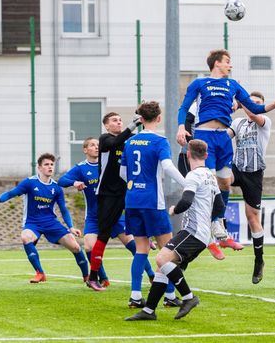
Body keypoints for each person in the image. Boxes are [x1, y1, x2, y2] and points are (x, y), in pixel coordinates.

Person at [176, 49, 275, 259]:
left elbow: (254, 107)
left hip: (223, 139)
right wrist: (181, 127)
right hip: (205, 136)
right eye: (227, 61)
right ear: (217, 63)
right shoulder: (200, 83)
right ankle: (210, 230)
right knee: (209, 183)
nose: (230, 65)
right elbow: (183, 108)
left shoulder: (233, 85)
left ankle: (217, 222)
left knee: (225, 183)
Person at [125, 139, 226, 321]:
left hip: (193, 232)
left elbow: (186, 200)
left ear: (188, 154)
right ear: (206, 155)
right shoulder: (210, 176)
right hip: (200, 233)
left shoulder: (193, 176)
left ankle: (188, 297)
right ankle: (149, 311)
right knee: (162, 268)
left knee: (161, 258)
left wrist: (174, 210)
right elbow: (219, 206)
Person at [58, 137, 155, 288]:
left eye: (98, 145)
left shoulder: (109, 165)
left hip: (115, 213)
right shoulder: (81, 168)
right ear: (85, 150)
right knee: (89, 247)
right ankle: (102, 278)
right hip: (94, 216)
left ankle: (152, 275)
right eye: (92, 145)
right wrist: (74, 182)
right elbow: (61, 180)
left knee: (134, 245)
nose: (96, 147)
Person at [121, 101, 187, 308]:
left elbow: (123, 173)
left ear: (140, 119)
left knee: (141, 249)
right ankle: (169, 295)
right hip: (152, 201)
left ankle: (135, 296)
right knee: (167, 249)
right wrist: (187, 184)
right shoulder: (160, 141)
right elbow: (167, 166)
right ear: (159, 118)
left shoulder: (129, 142)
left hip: (132, 200)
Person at [0, 153, 88, 283]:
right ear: (39, 167)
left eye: (52, 164)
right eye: (46, 164)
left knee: (75, 247)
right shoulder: (30, 183)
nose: (50, 167)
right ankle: (40, 273)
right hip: (33, 223)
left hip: (51, 223)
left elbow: (63, 209)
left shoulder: (56, 187)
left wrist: (71, 227)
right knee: (25, 237)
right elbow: (12, 193)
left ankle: (87, 276)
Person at [85, 111, 143, 291]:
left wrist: (146, 122)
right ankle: (93, 277)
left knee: (141, 212)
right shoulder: (105, 139)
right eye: (114, 120)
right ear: (106, 125)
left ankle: (145, 238)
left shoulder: (128, 140)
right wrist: (133, 125)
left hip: (126, 191)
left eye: (120, 120)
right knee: (103, 235)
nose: (118, 122)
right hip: (108, 194)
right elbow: (116, 142)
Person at [227, 91, 271, 284]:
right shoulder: (238, 122)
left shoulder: (265, 122)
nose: (253, 105)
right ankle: (219, 220)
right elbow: (225, 137)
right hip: (237, 168)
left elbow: (254, 114)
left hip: (254, 173)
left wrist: (241, 103)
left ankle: (259, 260)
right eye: (250, 102)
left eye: (257, 102)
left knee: (252, 217)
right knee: (220, 179)